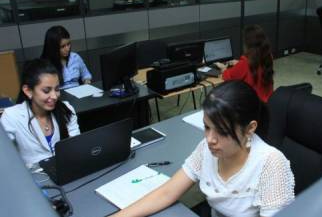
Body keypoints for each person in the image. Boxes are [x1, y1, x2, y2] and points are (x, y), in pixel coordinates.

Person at [112, 80, 295, 217]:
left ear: (250, 128)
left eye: (222, 132)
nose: (209, 140)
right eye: (207, 127)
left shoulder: (271, 164)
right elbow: (167, 192)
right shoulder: (208, 149)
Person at [0, 59, 80, 169]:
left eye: (57, 89)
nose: (54, 96)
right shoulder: (12, 117)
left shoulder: (66, 110)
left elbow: (76, 146)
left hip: (66, 171)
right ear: (28, 91)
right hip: (33, 179)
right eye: (46, 91)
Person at [222, 25, 274, 103]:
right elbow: (254, 65)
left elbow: (227, 77)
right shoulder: (268, 57)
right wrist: (239, 63)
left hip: (252, 104)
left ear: (247, 44)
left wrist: (223, 68)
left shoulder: (245, 63)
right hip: (268, 102)